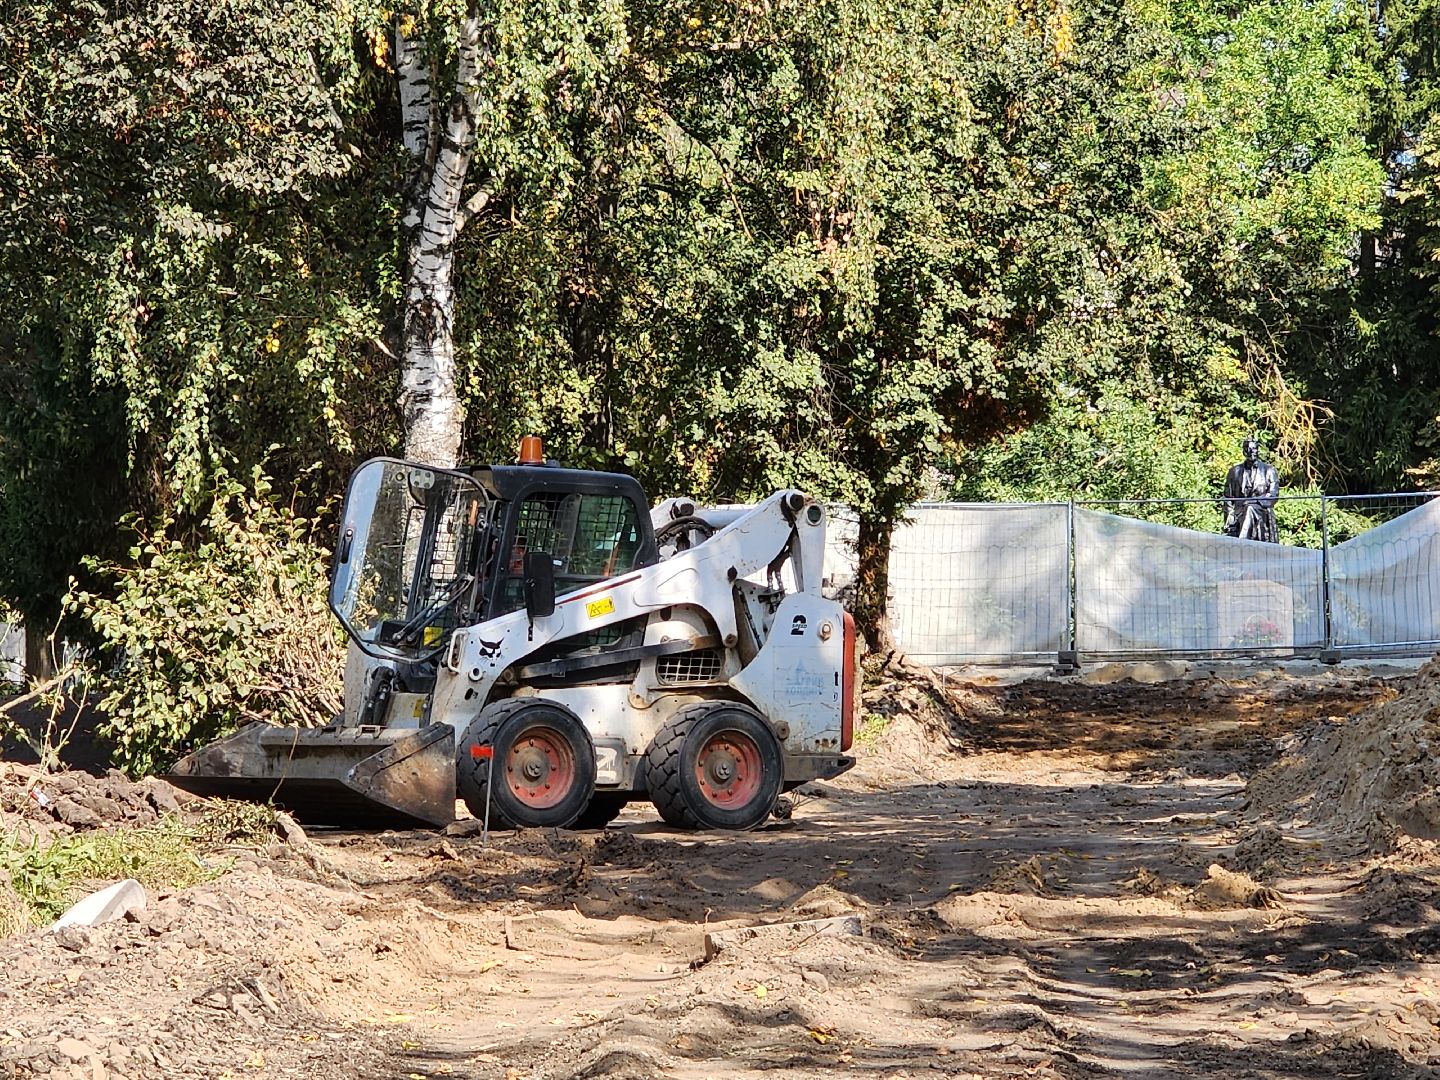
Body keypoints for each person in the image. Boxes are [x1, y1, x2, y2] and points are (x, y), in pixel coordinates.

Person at [1222, 437, 1280, 543]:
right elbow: (1228, 498)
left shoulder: (1269, 471)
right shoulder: (1234, 471)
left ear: (1258, 450)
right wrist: (1229, 521)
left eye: (1253, 449)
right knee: (1247, 510)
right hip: (1239, 513)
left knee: (1249, 509)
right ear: (1243, 451)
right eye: (1247, 449)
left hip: (1262, 511)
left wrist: (1252, 501)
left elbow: (1273, 495)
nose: (1251, 452)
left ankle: (1241, 543)